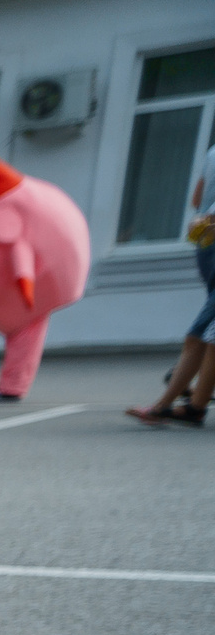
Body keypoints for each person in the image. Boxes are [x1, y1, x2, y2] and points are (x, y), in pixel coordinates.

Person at [125, 142, 215, 427]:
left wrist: (205, 219)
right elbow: (198, 200)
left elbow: (197, 199)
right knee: (205, 336)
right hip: (208, 245)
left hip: (207, 245)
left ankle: (174, 405)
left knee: (202, 335)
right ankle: (192, 404)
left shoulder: (212, 153)